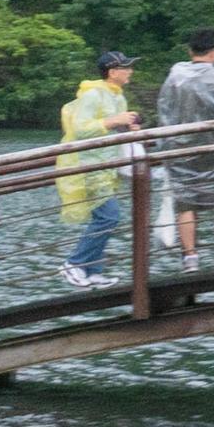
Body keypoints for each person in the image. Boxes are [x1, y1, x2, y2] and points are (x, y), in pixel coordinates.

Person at [154, 28, 214, 265]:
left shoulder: (175, 76)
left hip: (182, 149)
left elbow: (164, 111)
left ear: (190, 50)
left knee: (185, 202)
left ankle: (190, 257)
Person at [53, 52, 140, 289]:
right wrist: (113, 122)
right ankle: (74, 263)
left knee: (106, 217)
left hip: (106, 166)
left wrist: (126, 127)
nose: (130, 71)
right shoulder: (92, 94)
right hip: (87, 165)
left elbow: (112, 129)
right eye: (126, 67)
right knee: (108, 216)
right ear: (112, 72)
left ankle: (93, 270)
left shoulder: (118, 97)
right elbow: (81, 129)